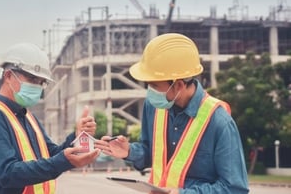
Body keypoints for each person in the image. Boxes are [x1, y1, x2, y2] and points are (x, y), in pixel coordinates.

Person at [95, 33, 249, 194]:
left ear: (179, 85)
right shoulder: (153, 106)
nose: (150, 91)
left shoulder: (220, 122)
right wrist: (129, 151)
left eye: (154, 85)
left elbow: (234, 188)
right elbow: (151, 152)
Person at [0, 43, 100, 194]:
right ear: (9, 76)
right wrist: (62, 162)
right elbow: (7, 173)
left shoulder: (28, 117)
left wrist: (77, 136)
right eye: (32, 79)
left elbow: (52, 154)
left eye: (41, 82)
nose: (37, 86)